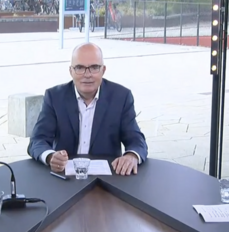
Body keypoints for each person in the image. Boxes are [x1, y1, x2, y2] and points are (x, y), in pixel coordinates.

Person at [27, 43, 148, 175]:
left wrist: (132, 156)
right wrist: (50, 157)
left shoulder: (121, 97)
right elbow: (37, 140)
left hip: (108, 178)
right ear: (71, 71)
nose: (87, 74)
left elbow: (136, 140)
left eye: (94, 67)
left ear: (103, 70)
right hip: (64, 177)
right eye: (79, 67)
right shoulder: (54, 97)